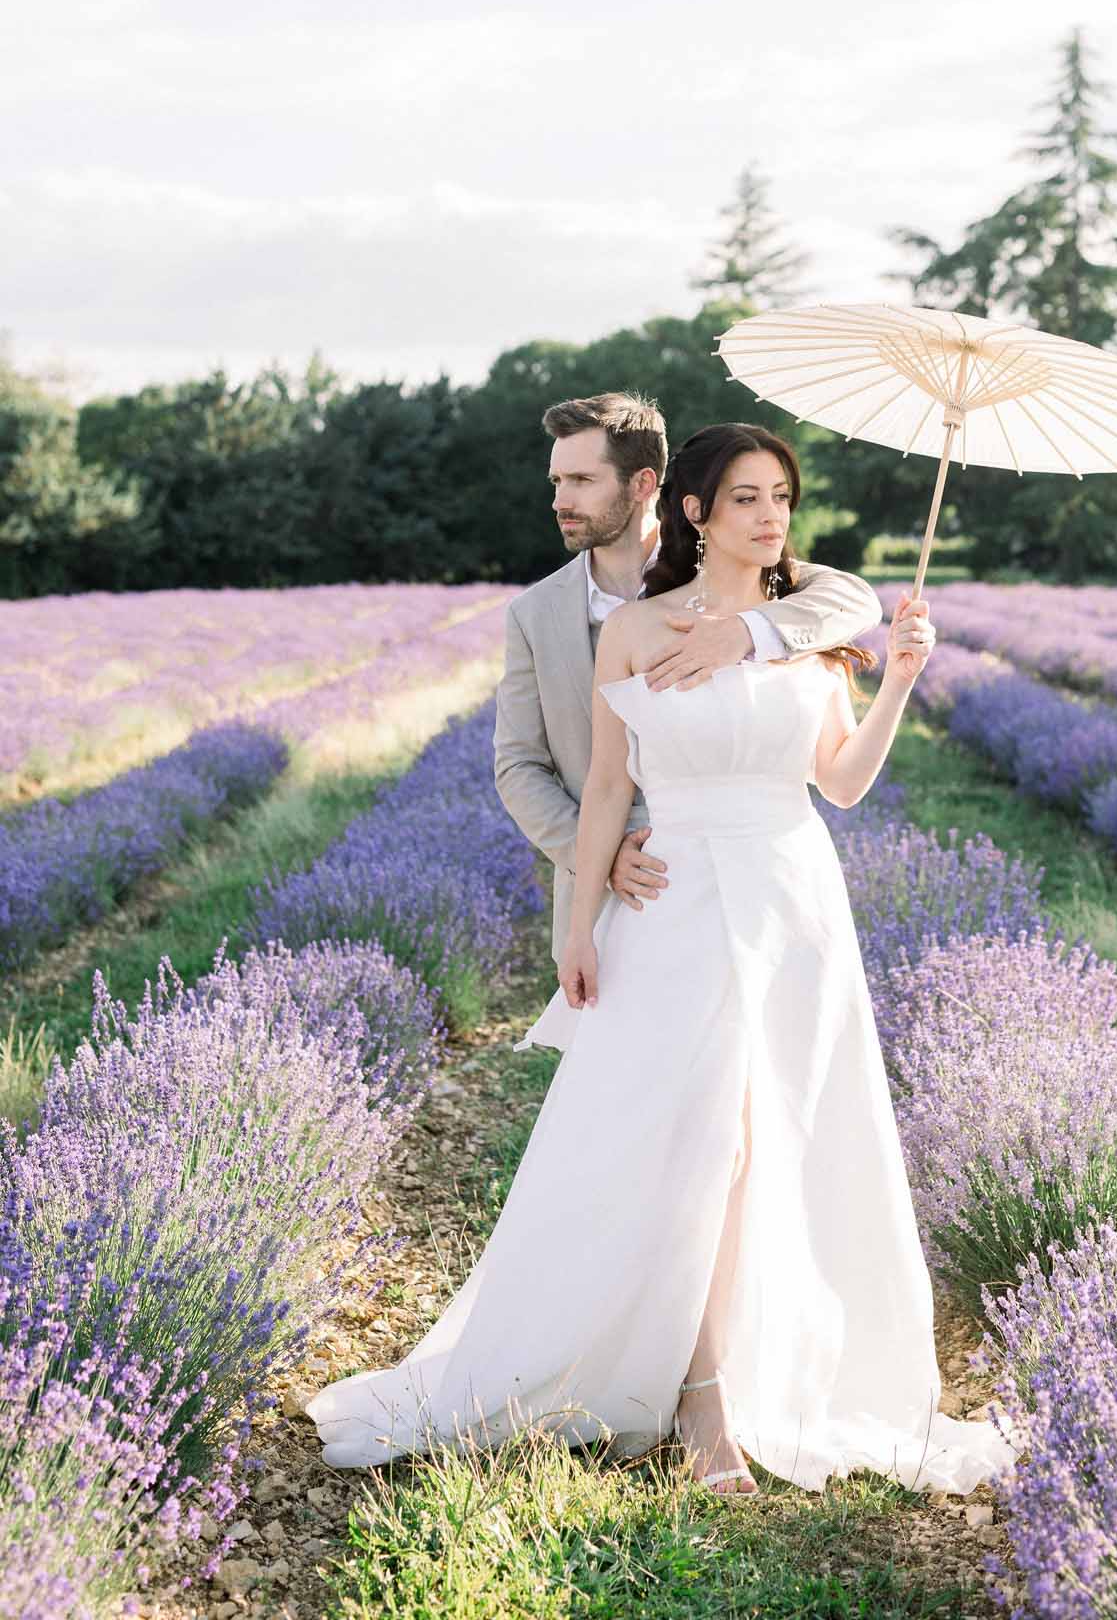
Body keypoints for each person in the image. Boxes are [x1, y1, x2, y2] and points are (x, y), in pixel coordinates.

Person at [305, 417, 1019, 1506]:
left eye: (781, 493)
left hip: (791, 898)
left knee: (763, 1135)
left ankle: (720, 1386)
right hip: (678, 896)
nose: (770, 513)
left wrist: (899, 681)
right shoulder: (635, 630)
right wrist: (576, 923)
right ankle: (694, 1391)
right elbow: (601, 789)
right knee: (690, 1138)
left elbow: (842, 782)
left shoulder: (808, 628)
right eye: (745, 495)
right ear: (692, 509)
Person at [491, 391, 884, 965]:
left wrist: (747, 631)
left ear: (644, 483)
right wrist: (595, 854)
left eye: (580, 479)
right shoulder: (533, 613)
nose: (560, 500)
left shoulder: (742, 569)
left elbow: (854, 599)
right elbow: (518, 765)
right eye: (556, 482)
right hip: (609, 885)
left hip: (746, 873)